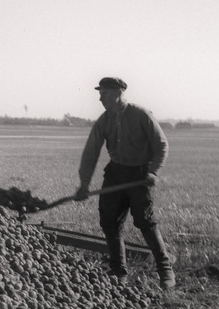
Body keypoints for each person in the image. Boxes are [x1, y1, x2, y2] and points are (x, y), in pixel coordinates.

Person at [74, 77, 175, 289]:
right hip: (115, 173)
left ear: (118, 93)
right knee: (109, 222)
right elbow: (91, 152)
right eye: (100, 94)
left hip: (140, 174)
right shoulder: (104, 120)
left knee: (145, 221)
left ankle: (165, 270)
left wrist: (153, 172)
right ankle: (119, 272)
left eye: (104, 94)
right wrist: (84, 184)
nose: (100, 99)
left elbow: (161, 145)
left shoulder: (141, 115)